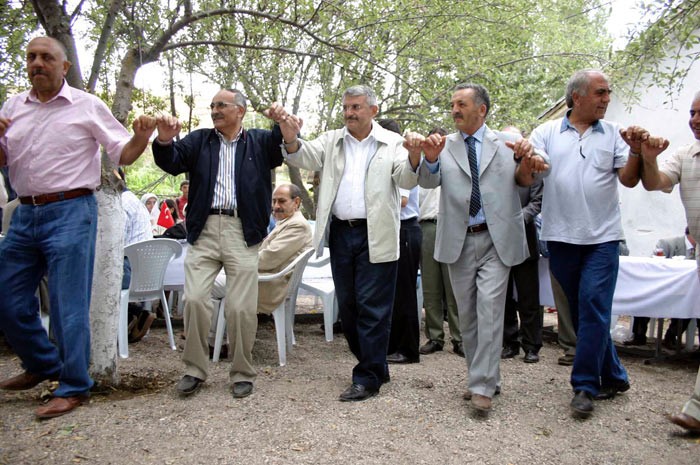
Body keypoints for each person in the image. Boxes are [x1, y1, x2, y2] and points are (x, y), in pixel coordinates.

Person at [0, 36, 156, 419]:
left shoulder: (87, 106)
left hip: (71, 211)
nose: (38, 63)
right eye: (32, 57)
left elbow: (123, 154)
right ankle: (42, 363)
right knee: (6, 295)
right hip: (24, 213)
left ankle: (74, 386)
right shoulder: (12, 106)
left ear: (64, 66)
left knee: (68, 306)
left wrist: (141, 135)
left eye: (47, 57)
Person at [409, 83, 549, 414]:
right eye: (453, 104)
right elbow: (428, 183)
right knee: (468, 315)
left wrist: (531, 158)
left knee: (489, 309)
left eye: (461, 104)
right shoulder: (444, 146)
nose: (454, 110)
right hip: (458, 239)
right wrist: (429, 160)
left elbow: (529, 176)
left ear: (481, 110)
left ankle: (481, 386)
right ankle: (485, 376)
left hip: (497, 239)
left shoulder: (507, 142)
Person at [153, 88, 296, 399]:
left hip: (241, 231)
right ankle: (194, 369)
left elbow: (285, 143)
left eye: (222, 105)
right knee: (193, 300)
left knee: (241, 307)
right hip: (204, 230)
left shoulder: (258, 141)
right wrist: (164, 140)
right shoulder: (200, 140)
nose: (215, 110)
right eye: (212, 105)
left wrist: (282, 119)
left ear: (240, 111)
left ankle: (242, 372)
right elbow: (172, 162)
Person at [282, 85, 420, 401]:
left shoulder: (393, 143)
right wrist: (290, 136)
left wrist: (414, 156)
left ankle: (368, 376)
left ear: (373, 110)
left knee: (373, 307)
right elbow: (303, 154)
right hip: (342, 234)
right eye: (346, 108)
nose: (349, 113)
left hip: (378, 233)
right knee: (349, 307)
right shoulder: (332, 140)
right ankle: (376, 365)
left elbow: (407, 179)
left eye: (356, 107)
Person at [528, 69, 647, 419]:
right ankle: (615, 375)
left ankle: (584, 385)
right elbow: (536, 168)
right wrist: (531, 162)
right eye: (600, 93)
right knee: (584, 313)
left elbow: (627, 179)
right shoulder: (546, 132)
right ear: (577, 97)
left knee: (593, 303)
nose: (606, 98)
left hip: (603, 238)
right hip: (560, 237)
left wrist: (637, 152)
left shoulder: (613, 134)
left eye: (607, 92)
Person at [637, 90, 700, 433]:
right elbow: (654, 182)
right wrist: (648, 158)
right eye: (691, 112)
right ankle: (697, 412)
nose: (694, 120)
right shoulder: (685, 155)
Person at [209, 183, 313, 353]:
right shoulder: (287, 222)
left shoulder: (297, 226)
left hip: (270, 283)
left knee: (210, 283)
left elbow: (268, 259)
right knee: (213, 278)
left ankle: (213, 342)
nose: (276, 206)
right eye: (274, 201)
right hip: (262, 277)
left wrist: (235, 262)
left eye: (281, 201)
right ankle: (215, 338)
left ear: (297, 202)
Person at [376, 119, 423, 365]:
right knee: (393, 292)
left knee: (404, 293)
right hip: (394, 229)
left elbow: (402, 200)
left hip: (405, 229)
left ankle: (408, 349)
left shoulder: (404, 158)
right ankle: (393, 344)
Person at [418, 128, 464, 358]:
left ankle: (460, 337)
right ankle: (435, 336)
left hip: (453, 225)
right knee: (431, 285)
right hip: (426, 226)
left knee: (454, 285)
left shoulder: (458, 164)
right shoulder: (421, 165)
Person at [624, 227, 697, 347]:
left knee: (690, 302)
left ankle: (671, 336)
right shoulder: (667, 243)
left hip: (683, 292)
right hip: (659, 287)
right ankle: (639, 335)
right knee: (644, 296)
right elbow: (653, 267)